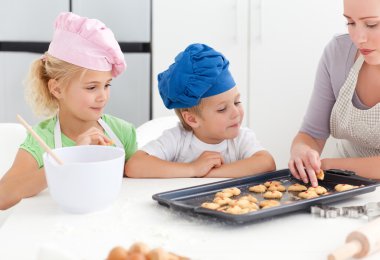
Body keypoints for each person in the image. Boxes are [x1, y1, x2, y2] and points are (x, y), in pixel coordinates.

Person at [0, 12, 137, 210]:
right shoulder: (41, 139)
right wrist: (71, 158)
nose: (103, 96)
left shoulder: (122, 133)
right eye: (91, 87)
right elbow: (3, 196)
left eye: (107, 85)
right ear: (57, 89)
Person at [126, 43, 275, 178]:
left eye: (237, 102)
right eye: (222, 109)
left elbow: (267, 164)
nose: (236, 113)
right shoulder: (178, 139)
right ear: (192, 119)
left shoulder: (241, 139)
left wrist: (209, 174)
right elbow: (134, 166)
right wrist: (193, 169)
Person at [289, 0, 380, 187]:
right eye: (350, 23)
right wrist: (302, 152)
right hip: (343, 185)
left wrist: (330, 165)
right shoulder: (337, 52)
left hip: (339, 172)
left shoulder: (331, 166)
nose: (358, 37)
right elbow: (311, 134)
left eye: (372, 24)